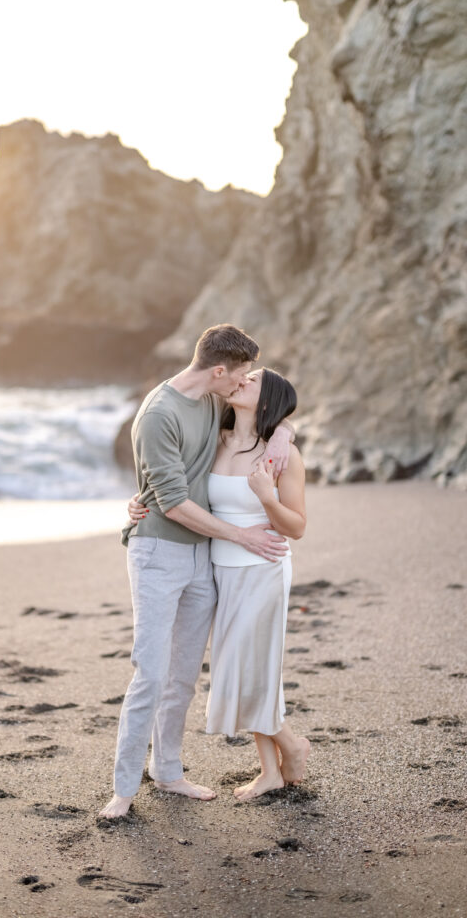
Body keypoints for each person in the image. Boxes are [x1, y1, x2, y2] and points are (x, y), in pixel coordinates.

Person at [99, 325, 293, 820]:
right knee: (151, 672)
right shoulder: (159, 414)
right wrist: (243, 535)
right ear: (221, 370)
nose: (244, 383)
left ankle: (168, 773)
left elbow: (271, 415)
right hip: (159, 552)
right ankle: (123, 789)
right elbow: (174, 503)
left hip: (203, 557)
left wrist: (286, 433)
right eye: (242, 374)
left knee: (183, 676)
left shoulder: (214, 399)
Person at [205, 367, 310, 800]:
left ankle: (290, 748)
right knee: (245, 669)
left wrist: (268, 496)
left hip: (263, 569)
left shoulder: (281, 454)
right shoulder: (214, 438)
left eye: (253, 380)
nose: (242, 379)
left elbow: (297, 526)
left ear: (266, 399)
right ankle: (273, 767)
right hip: (220, 570)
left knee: (255, 670)